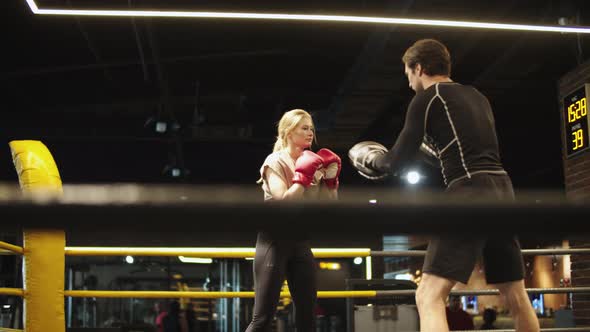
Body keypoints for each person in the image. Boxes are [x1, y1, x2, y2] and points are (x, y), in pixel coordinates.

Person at [347, 39, 540, 332]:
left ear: (419, 68)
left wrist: (371, 159)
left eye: (408, 74)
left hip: (470, 191)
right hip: (502, 190)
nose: (409, 83)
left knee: (428, 295)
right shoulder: (477, 96)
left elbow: (395, 162)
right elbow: (464, 150)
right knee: (514, 293)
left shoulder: (427, 98)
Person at [245, 108, 341, 332]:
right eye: (304, 128)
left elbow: (329, 208)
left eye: (311, 129)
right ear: (289, 131)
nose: (310, 133)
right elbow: (283, 204)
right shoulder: (275, 161)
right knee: (263, 318)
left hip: (300, 241)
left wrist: (331, 180)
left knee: (308, 316)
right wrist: (302, 177)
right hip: (274, 241)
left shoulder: (315, 162)